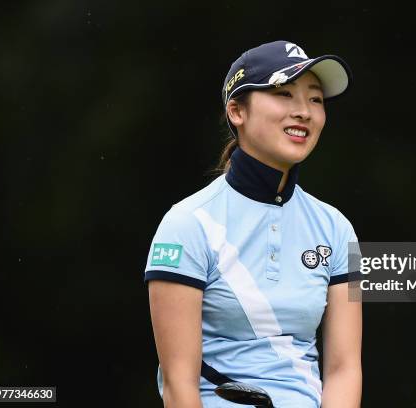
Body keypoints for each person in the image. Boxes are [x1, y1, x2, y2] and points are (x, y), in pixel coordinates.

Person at [145, 40, 362, 408]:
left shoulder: (338, 230)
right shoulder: (186, 225)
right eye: (283, 94)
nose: (304, 112)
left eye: (315, 99)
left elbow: (344, 369)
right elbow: (179, 387)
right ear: (236, 112)